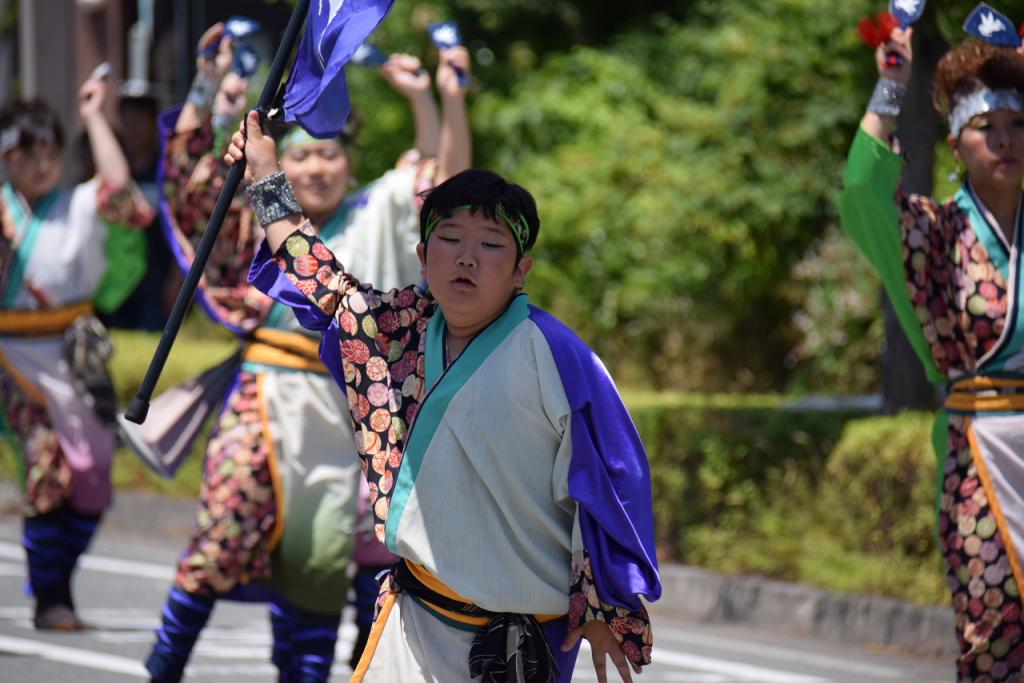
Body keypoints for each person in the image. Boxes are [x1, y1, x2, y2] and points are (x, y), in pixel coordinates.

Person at [230, 112, 661, 680]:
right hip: (412, 625)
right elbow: (319, 278)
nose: (466, 257)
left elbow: (610, 486)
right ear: (422, 254)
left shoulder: (561, 358)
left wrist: (606, 606)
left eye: (490, 245)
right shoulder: (397, 329)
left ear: (520, 270)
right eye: (450, 240)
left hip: (520, 647)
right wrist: (265, 176)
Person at [140, 22, 472, 683]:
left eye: (329, 153)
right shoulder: (257, 210)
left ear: (350, 160)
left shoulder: (380, 209)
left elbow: (446, 186)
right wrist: (209, 89)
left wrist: (440, 97)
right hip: (267, 397)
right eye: (301, 155)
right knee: (221, 536)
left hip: (358, 409)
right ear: (278, 163)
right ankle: (163, 668)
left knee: (356, 559)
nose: (317, 166)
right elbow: (190, 182)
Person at [839, 25, 1024, 681]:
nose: (1004, 139)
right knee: (992, 636)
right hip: (980, 452)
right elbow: (862, 190)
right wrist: (892, 81)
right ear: (956, 144)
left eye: (1015, 124)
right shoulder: (933, 232)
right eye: (986, 127)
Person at [0, 75, 154, 630]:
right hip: (13, 360)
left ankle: (53, 574)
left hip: (75, 356)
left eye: (49, 152)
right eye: (26, 154)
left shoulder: (81, 204)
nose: (41, 165)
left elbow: (125, 198)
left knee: (92, 477)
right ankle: (51, 596)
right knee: (45, 470)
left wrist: (94, 115)